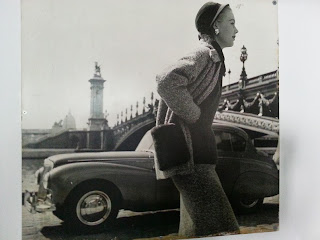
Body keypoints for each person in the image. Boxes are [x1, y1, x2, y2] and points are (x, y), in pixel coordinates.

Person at [155, 2, 240, 237]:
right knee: (222, 228)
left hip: (195, 155)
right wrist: (194, 114)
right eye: (231, 23)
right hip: (189, 156)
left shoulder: (215, 58)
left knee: (195, 229)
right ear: (215, 27)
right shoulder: (204, 53)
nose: (236, 29)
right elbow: (166, 81)